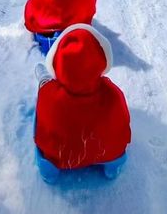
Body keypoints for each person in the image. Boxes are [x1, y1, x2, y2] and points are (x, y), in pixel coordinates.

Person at [33, 24, 131, 183]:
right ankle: (112, 166)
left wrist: (46, 83)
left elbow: (43, 124)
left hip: (60, 156)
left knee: (44, 89)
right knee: (114, 148)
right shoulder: (113, 93)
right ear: (102, 62)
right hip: (108, 152)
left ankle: (49, 172)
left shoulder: (50, 95)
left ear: (56, 64)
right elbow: (123, 121)